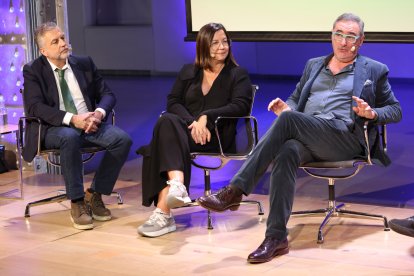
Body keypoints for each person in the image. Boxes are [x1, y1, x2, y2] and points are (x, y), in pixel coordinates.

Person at [197, 13, 402, 263]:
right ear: (331, 35)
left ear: (361, 40)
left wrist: (371, 112)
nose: (343, 41)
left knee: (289, 122)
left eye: (351, 36)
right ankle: (276, 237)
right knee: (287, 151)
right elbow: (295, 99)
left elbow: (395, 109)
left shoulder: (374, 70)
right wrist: (288, 108)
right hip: (309, 135)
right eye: (338, 34)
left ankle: (235, 190)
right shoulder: (314, 65)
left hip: (344, 138)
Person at [136, 23, 252, 237]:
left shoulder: (238, 74)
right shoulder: (189, 71)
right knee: (168, 120)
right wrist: (193, 122)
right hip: (189, 133)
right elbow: (173, 101)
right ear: (203, 46)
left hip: (217, 136)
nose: (222, 47)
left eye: (225, 41)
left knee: (157, 144)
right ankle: (175, 188)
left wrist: (206, 116)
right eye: (215, 42)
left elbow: (240, 105)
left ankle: (164, 212)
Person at [22, 22, 132, 230]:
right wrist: (73, 119)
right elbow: (35, 108)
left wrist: (97, 115)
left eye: (63, 38)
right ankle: (77, 201)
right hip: (54, 128)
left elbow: (107, 94)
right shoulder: (33, 71)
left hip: (89, 124)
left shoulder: (84, 63)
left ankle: (95, 194)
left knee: (122, 140)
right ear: (44, 50)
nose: (63, 43)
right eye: (56, 41)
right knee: (69, 137)